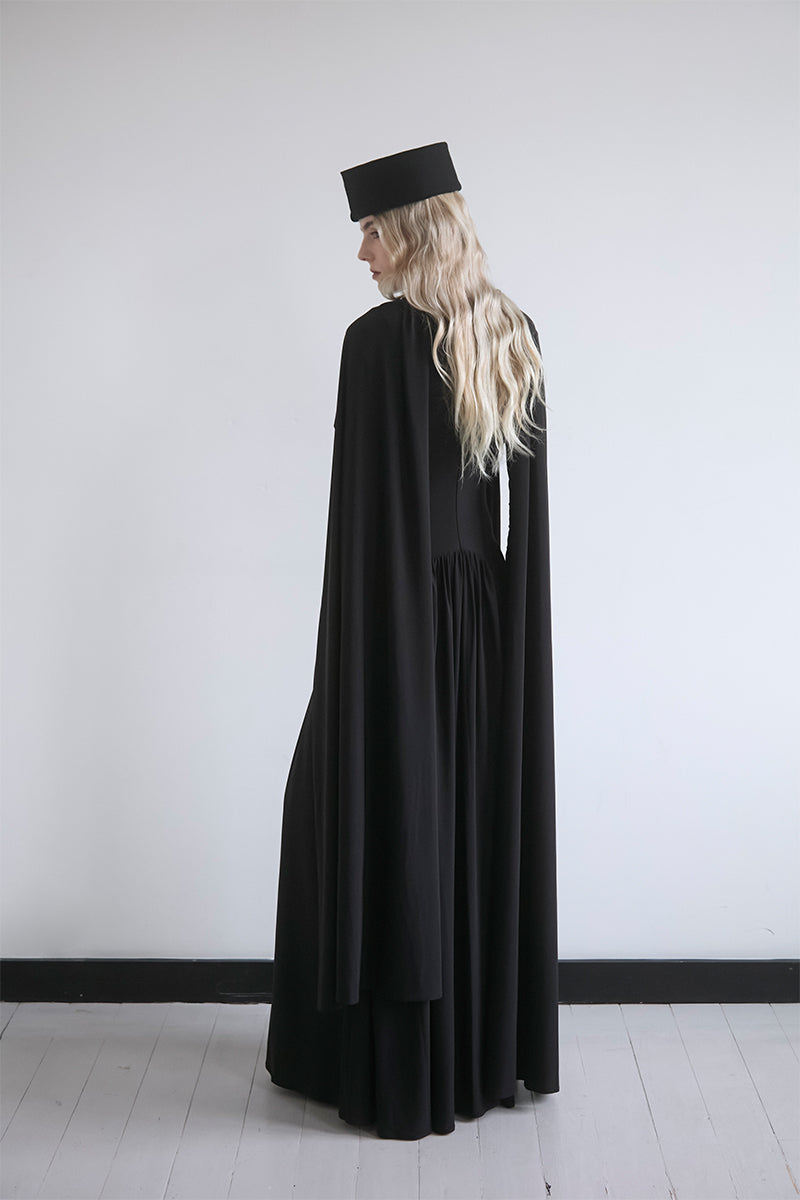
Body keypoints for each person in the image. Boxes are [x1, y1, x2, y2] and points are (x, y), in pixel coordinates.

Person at [265, 142, 558, 1140]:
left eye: (372, 232)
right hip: (479, 625)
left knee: (369, 813)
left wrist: (351, 659)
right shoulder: (512, 333)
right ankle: (472, 1055)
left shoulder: (373, 344)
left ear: (412, 232)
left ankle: (376, 1060)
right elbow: (523, 526)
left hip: (389, 621)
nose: (362, 254)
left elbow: (359, 525)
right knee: (460, 824)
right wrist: (513, 645)